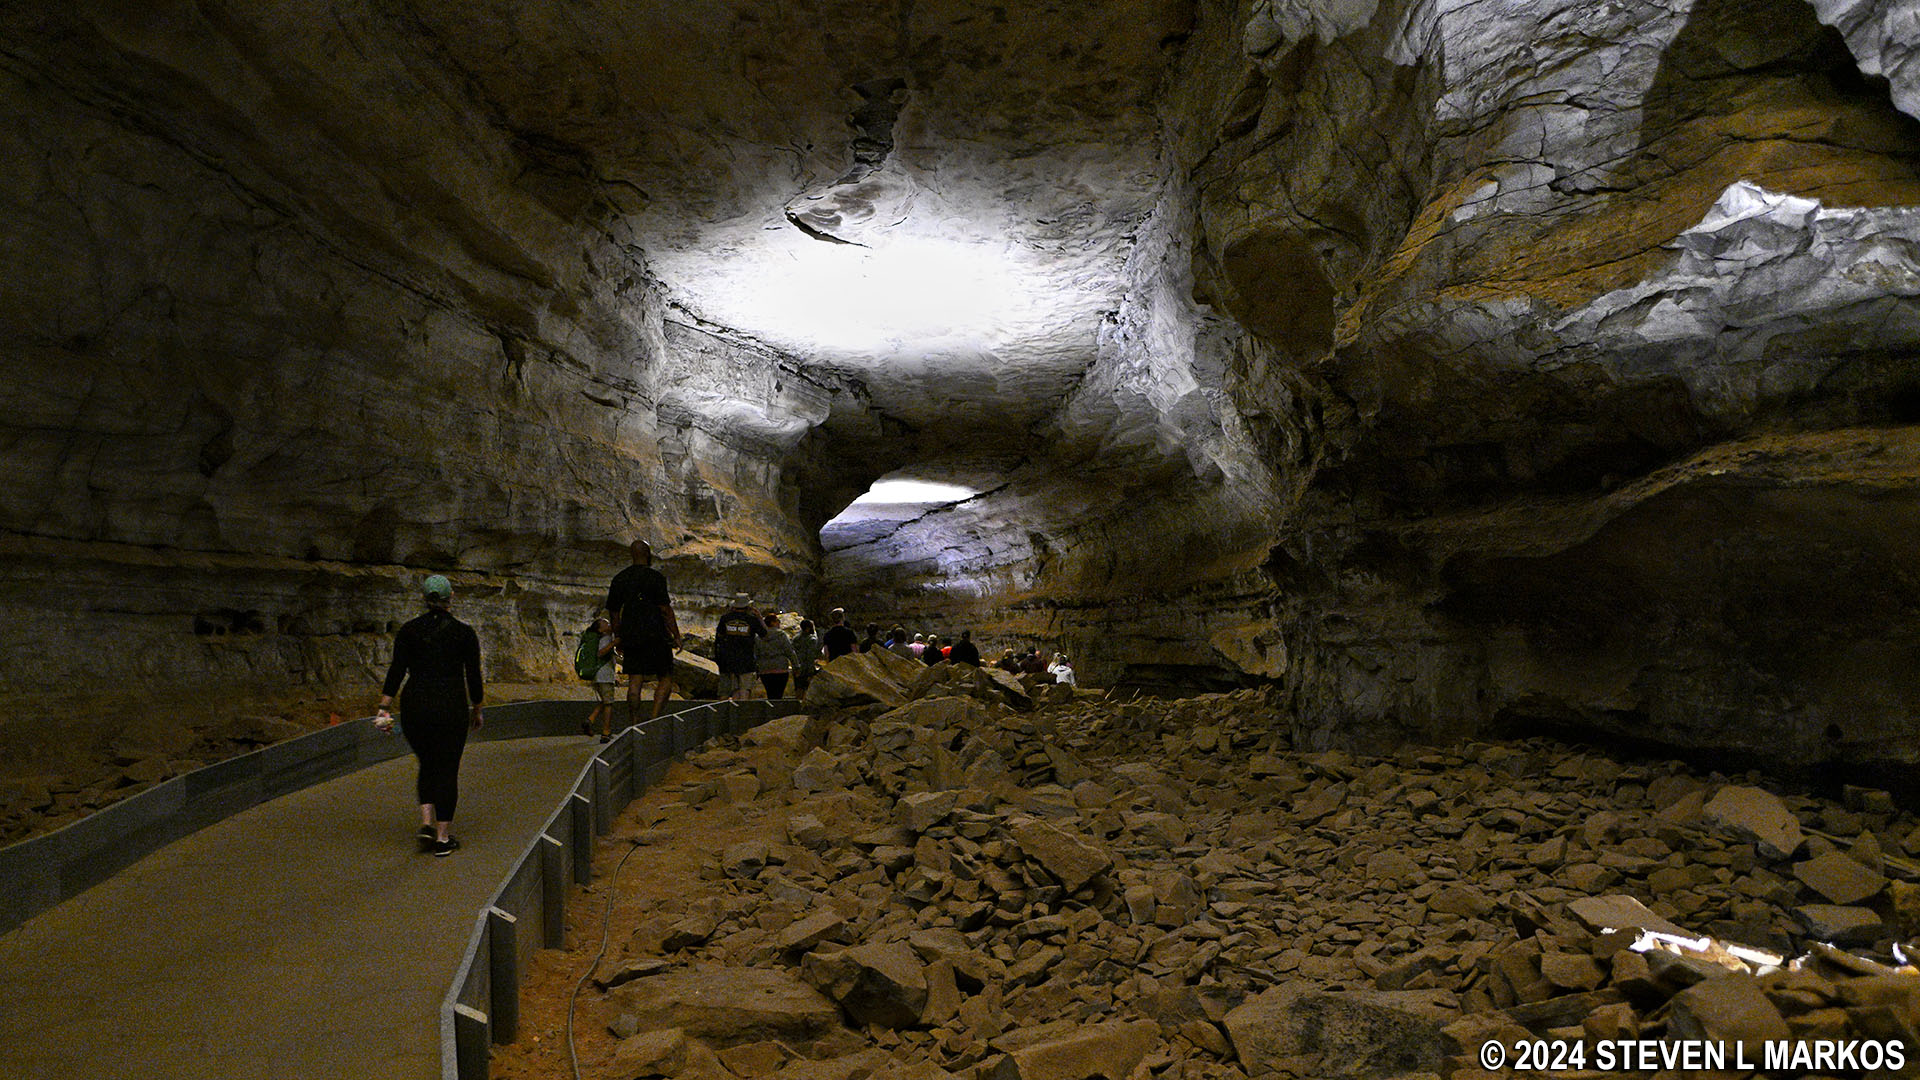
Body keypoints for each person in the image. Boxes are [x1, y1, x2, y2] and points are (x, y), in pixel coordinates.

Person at [375, 574, 483, 857]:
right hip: (450, 705)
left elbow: (397, 670)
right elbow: (473, 676)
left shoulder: (409, 631)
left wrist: (384, 707)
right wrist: (478, 708)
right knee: (447, 768)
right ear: (451, 598)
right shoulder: (464, 633)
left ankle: (426, 823)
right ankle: (443, 838)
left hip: (415, 706)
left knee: (427, 762)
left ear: (424, 598)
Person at [607, 539, 681, 720]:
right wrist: (676, 635)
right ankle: (654, 717)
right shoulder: (656, 577)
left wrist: (619, 637)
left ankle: (634, 722)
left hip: (631, 635)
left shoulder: (620, 578)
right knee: (665, 677)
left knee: (635, 680)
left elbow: (614, 613)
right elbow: (665, 610)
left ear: (632, 555)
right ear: (648, 555)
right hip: (656, 634)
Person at [713, 593, 766, 701]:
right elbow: (765, 634)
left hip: (726, 659)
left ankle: (722, 714)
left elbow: (718, 638)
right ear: (748, 606)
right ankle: (741, 713)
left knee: (725, 690)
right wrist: (760, 618)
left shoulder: (725, 618)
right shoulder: (751, 619)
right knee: (744, 688)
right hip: (745, 659)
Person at [581, 611, 619, 742]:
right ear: (600, 630)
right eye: (605, 624)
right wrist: (614, 643)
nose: (609, 624)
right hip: (604, 676)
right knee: (608, 704)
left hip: (598, 675)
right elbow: (601, 653)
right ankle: (605, 732)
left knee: (604, 700)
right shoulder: (605, 639)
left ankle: (590, 720)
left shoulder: (598, 639)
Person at [755, 611, 797, 698]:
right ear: (773, 622)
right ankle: (778, 710)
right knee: (779, 694)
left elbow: (756, 653)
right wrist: (796, 665)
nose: (779, 623)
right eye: (778, 621)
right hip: (780, 667)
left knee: (770, 694)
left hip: (765, 669)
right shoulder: (781, 635)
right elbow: (789, 651)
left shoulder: (758, 637)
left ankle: (771, 710)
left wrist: (756, 669)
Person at [791, 618, 821, 698]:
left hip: (797, 667)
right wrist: (811, 672)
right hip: (806, 669)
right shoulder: (811, 640)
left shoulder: (795, 638)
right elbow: (810, 656)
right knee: (807, 691)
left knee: (798, 689)